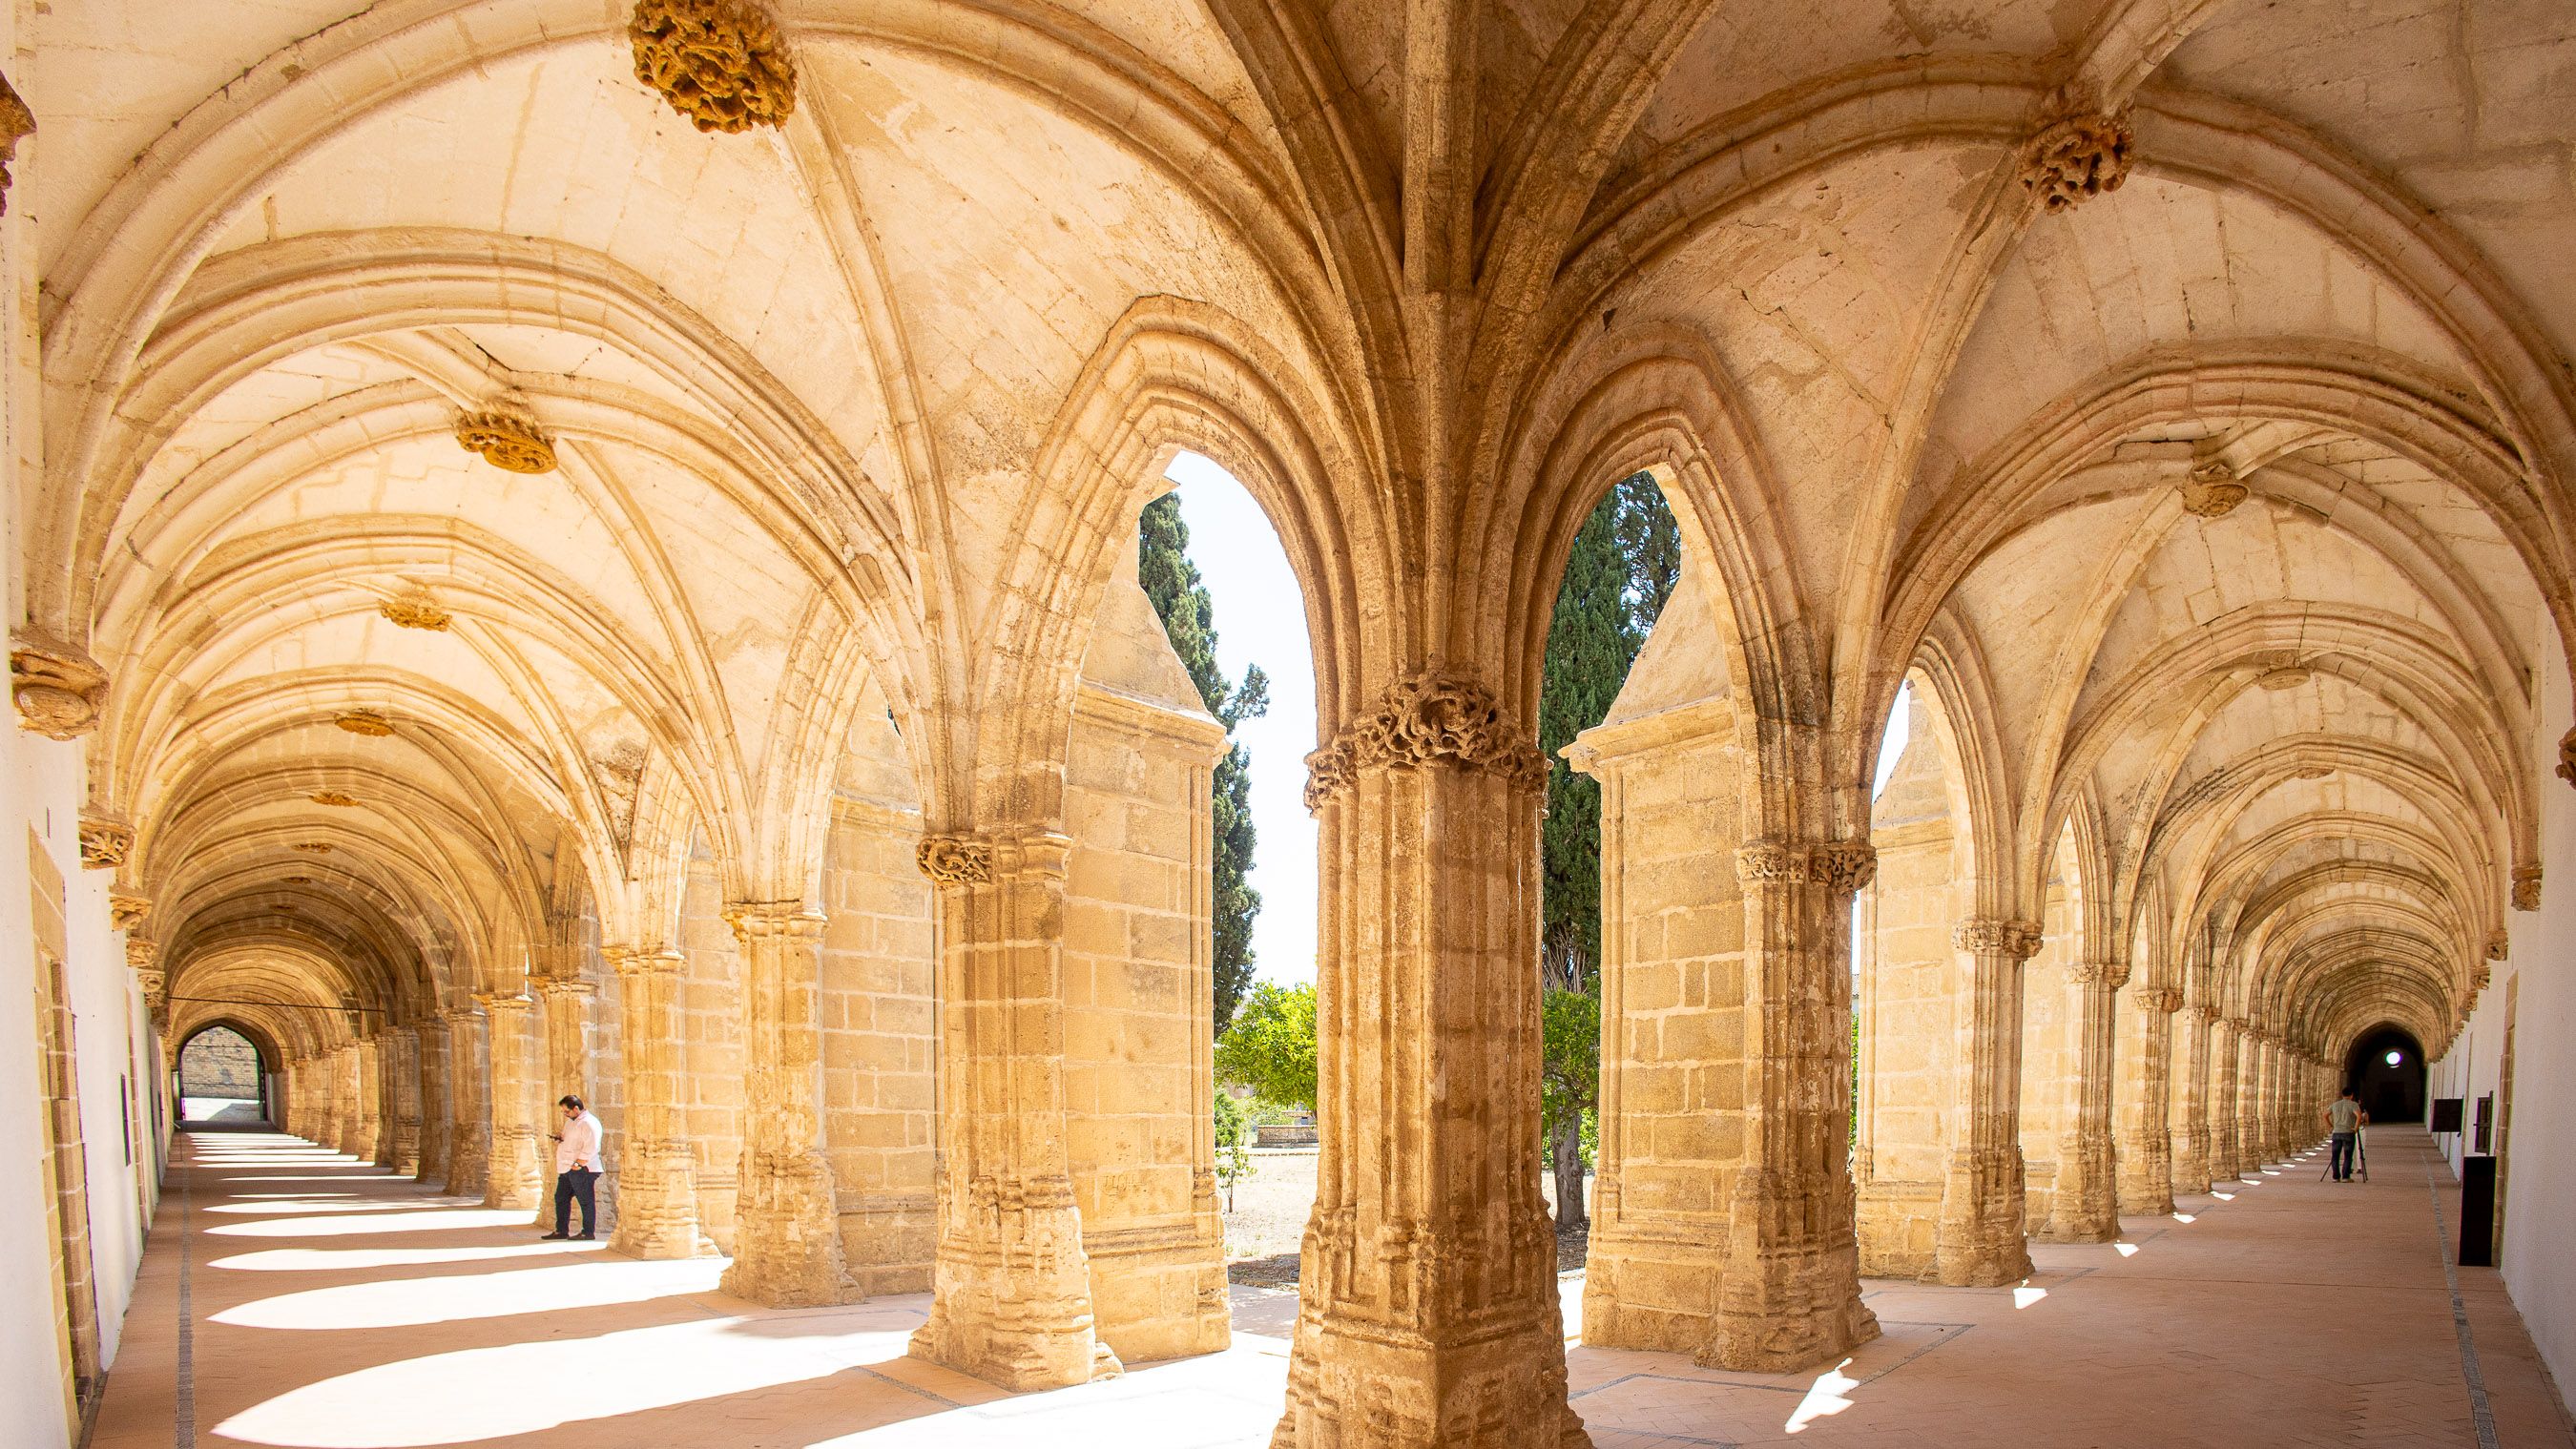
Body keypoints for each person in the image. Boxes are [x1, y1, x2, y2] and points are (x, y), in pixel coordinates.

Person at [542, 1094, 604, 1240]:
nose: (565, 1114)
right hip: (567, 1167)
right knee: (561, 1198)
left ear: (576, 1108)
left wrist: (579, 1164)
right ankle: (561, 1230)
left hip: (582, 1168)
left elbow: (592, 1146)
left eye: (567, 1111)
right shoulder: (571, 1121)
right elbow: (569, 1137)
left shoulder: (589, 1123)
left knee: (585, 1200)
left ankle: (588, 1232)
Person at [2324, 1087, 2367, 1182]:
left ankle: (2335, 1177)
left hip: (2337, 1132)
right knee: (2348, 1155)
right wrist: (2356, 1128)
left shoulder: (2335, 1104)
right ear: (2351, 1095)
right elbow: (2359, 1116)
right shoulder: (2353, 1104)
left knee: (2335, 1156)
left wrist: (2330, 1126)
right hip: (2348, 1132)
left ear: (2342, 1095)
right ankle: (2345, 1176)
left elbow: (2325, 1115)